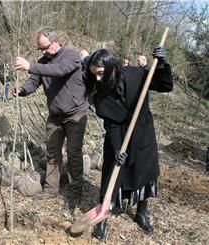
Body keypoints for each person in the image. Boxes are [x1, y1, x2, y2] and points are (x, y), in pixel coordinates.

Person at [84, 47, 172, 240]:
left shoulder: (137, 74)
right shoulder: (101, 94)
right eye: (95, 75)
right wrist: (117, 149)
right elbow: (111, 124)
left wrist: (162, 65)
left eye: (100, 73)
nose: (98, 79)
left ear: (110, 67)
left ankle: (141, 212)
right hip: (118, 136)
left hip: (143, 134)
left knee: (145, 173)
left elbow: (165, 85)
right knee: (110, 177)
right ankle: (102, 219)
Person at [12, 27, 88, 210]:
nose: (43, 52)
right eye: (40, 49)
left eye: (45, 48)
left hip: (75, 113)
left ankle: (76, 190)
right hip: (55, 116)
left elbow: (60, 70)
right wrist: (21, 90)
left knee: (74, 152)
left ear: (55, 42)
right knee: (52, 153)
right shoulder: (43, 62)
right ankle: (51, 189)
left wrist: (30, 65)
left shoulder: (71, 55)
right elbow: (33, 81)